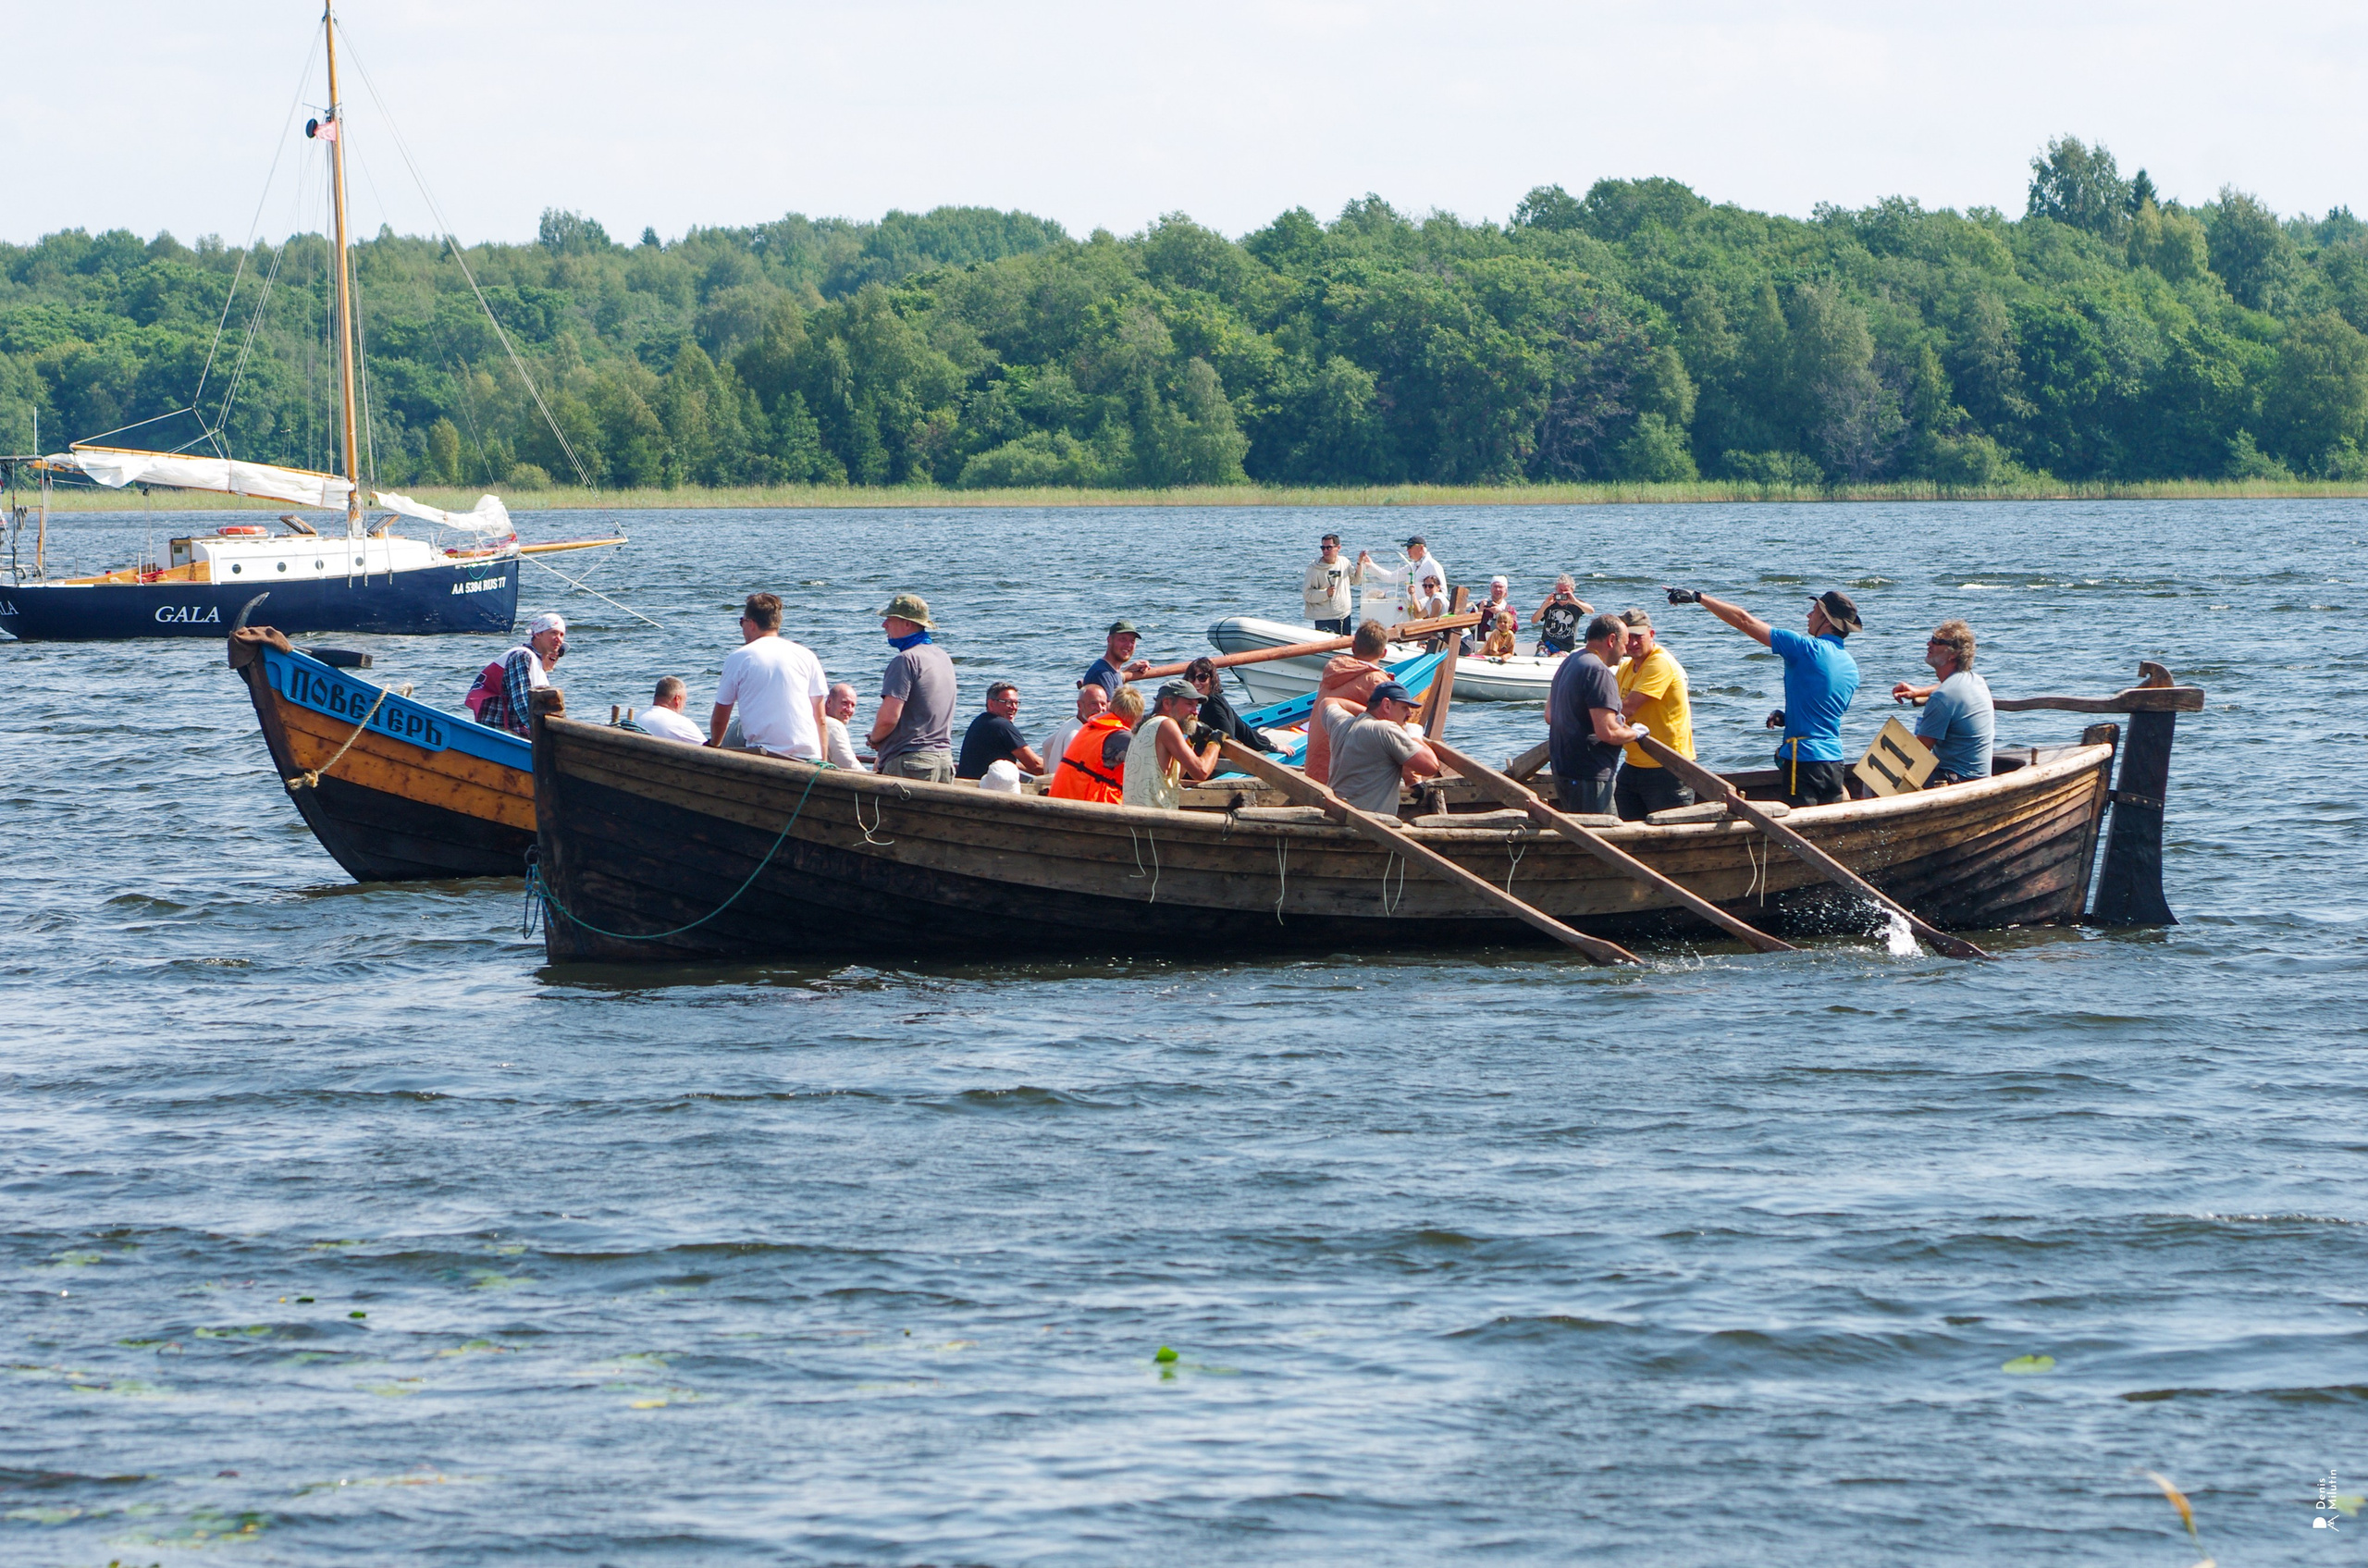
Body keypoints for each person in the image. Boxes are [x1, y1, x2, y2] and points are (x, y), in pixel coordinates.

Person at [1664, 584, 1862, 806]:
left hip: (1804, 758)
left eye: (1814, 610)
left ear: (1827, 620)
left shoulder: (1805, 649)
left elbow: (1744, 620)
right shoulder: (1851, 666)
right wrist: (1788, 718)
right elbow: (1824, 712)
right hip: (1834, 761)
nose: (1808, 615)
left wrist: (1698, 597)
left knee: (1798, 832)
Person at [1548, 614, 1649, 817]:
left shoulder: (1571, 661)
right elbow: (1608, 732)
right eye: (1624, 644)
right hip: (1589, 775)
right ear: (1612, 640)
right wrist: (1635, 733)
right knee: (1602, 839)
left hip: (1563, 771)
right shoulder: (1598, 671)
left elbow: (1550, 715)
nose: (1625, 651)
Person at [710, 592, 829, 758]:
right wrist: (822, 761)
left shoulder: (739, 657)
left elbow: (720, 717)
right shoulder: (807, 656)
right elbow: (820, 718)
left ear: (751, 624)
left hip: (766, 755)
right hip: (809, 756)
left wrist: (714, 746)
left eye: (741, 622)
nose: (742, 628)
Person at [1611, 609, 1696, 821]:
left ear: (1651, 634)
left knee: (1673, 833)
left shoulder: (1660, 663)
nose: (1632, 643)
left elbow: (1627, 708)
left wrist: (1591, 717)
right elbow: (1611, 705)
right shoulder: (1626, 668)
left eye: (1638, 637)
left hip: (1668, 766)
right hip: (1634, 763)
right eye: (1627, 638)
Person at [866, 592, 956, 783]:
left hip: (911, 763)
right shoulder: (942, 657)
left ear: (907, 624)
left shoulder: (905, 660)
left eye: (890, 619)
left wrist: (874, 740)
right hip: (943, 762)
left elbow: (889, 718)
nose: (884, 625)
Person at [1892, 618, 1993, 785]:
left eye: (1937, 642)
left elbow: (1916, 754)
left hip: (1959, 780)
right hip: (1979, 777)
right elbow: (1947, 688)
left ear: (1953, 653)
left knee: (1875, 778)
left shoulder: (1942, 698)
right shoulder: (1976, 681)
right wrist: (1919, 691)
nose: (1929, 644)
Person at [1318, 680, 1441, 815]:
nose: (1409, 715)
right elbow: (1431, 766)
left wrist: (1366, 714)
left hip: (1337, 815)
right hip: (1369, 825)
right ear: (1386, 705)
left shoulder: (1341, 724)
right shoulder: (1386, 729)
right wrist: (1414, 736)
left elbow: (1328, 702)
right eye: (1404, 708)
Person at [1305, 620, 1393, 784]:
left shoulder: (1334, 671)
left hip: (1314, 771)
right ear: (1384, 653)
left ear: (1353, 647)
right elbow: (1393, 728)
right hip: (1341, 779)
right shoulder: (1376, 681)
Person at [1123, 680, 1223, 809]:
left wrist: (1191, 741)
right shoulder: (1167, 725)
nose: (1195, 712)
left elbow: (1175, 775)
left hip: (1138, 816)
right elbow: (1201, 772)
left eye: (1196, 706)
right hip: (1152, 819)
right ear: (1167, 703)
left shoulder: (1146, 725)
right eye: (1189, 704)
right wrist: (1215, 743)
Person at [477, 611, 566, 738]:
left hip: (515, 728)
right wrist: (544, 735)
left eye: (562, 635)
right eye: (553, 633)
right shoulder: (522, 656)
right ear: (538, 634)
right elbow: (523, 704)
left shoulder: (537, 663)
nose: (559, 639)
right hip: (500, 730)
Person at [1049, 685, 1143, 803]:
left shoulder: (1092, 726)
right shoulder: (1120, 736)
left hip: (1062, 798)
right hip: (1081, 807)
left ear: (1111, 706)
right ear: (1136, 717)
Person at [1183, 657, 1281, 753]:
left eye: (1202, 678)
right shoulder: (1217, 698)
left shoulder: (1212, 705)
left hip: (1214, 764)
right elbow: (1242, 729)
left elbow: (1228, 739)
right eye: (1192, 677)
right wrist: (1269, 745)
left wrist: (1271, 746)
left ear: (1211, 679)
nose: (1196, 683)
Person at [956, 681, 1046, 779]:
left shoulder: (980, 721)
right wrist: (1060, 766)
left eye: (1016, 703)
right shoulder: (1002, 725)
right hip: (987, 788)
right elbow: (1036, 766)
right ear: (991, 704)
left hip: (971, 782)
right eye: (1008, 702)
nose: (1014, 707)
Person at [1355, 536, 1448, 623]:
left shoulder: (1433, 565)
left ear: (1421, 548)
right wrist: (1371, 565)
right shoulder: (1412, 566)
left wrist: (1421, 604)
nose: (1407, 550)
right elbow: (1390, 577)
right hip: (1412, 611)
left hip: (1425, 613)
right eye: (1407, 548)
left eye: (1410, 547)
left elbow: (1442, 593)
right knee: (1376, 594)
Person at [1038, 684, 1108, 781]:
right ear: (1079, 705)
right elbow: (1073, 771)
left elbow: (1046, 744)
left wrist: (1049, 771)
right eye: (1093, 703)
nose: (1100, 708)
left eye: (1103, 704)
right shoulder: (1076, 735)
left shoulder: (1070, 723)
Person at [1080, 621, 1151, 699]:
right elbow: (1109, 710)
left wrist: (1128, 669)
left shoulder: (1112, 671)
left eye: (1132, 641)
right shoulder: (1102, 674)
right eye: (1123, 639)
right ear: (1109, 640)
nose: (1128, 645)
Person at [1304, 534, 1354, 635]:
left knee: (1345, 649)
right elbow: (1307, 594)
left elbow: (1356, 581)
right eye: (1323, 548)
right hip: (1324, 619)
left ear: (1338, 548)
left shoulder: (1344, 562)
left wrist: (1361, 563)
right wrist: (1326, 593)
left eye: (1329, 548)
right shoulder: (1314, 568)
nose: (1325, 551)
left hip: (1344, 616)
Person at [634, 675, 707, 744]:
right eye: (684, 700)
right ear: (677, 699)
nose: (684, 705)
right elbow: (708, 751)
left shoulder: (635, 718)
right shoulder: (680, 723)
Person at [1533, 575, 1593, 657]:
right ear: (1556, 590)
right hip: (1547, 644)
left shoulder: (1576, 605)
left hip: (1566, 647)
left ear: (1572, 591)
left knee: (1557, 658)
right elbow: (1534, 620)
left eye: (1566, 591)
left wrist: (1575, 601)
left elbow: (1591, 611)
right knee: (1541, 655)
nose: (1562, 593)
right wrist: (1545, 605)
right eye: (1560, 590)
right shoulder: (1549, 604)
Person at [1463, 576, 1518, 654]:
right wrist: (1480, 612)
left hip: (1502, 645)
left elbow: (1514, 628)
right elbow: (1468, 626)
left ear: (1505, 590)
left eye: (1500, 587)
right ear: (1491, 589)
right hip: (1481, 643)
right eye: (1495, 587)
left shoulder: (1509, 609)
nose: (1497, 589)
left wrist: (1500, 614)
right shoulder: (1480, 606)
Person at [821, 682, 864, 771]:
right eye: (844, 703)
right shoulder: (833, 725)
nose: (849, 709)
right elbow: (847, 763)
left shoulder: (817, 721)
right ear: (829, 702)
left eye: (853, 705)